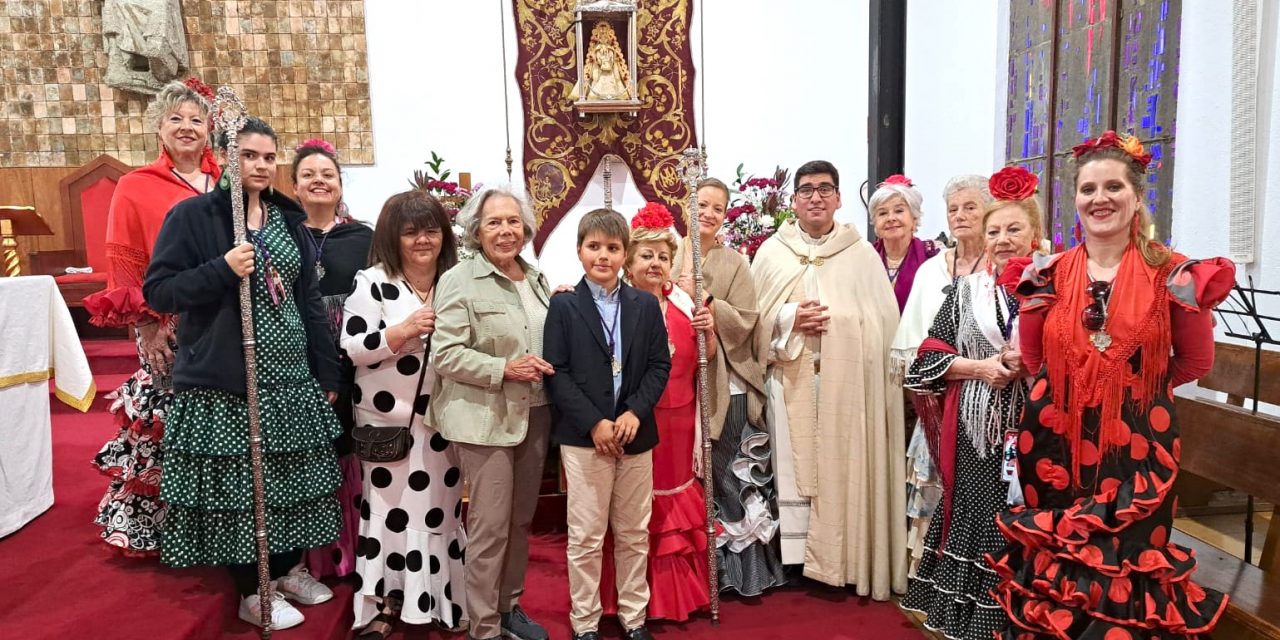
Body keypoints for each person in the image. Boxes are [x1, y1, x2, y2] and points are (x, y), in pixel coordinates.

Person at [987, 131, 1233, 636]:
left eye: (1114, 187)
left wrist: (1128, 388)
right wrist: (1078, 392)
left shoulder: (1176, 274)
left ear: (1138, 197)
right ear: (1074, 201)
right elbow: (1034, 358)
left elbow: (1193, 361)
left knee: (1126, 562)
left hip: (1137, 446)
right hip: (1053, 440)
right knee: (1058, 561)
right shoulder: (1044, 274)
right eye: (1088, 189)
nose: (1100, 198)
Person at [143, 116, 342, 630]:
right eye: (249, 155)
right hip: (229, 379)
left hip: (291, 376)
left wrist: (327, 372)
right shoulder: (194, 216)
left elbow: (310, 303)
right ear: (227, 158)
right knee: (242, 487)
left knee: (287, 479)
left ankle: (283, 572)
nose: (259, 165)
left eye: (268, 157)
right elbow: (159, 291)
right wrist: (221, 269)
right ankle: (250, 589)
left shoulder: (287, 220)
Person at [752, 160, 906, 599]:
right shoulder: (771, 253)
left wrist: (840, 324)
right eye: (806, 190)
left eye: (824, 189)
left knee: (845, 464)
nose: (815, 197)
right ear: (793, 201)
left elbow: (882, 325)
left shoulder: (860, 255)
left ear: (838, 198)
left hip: (848, 386)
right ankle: (797, 560)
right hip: (791, 378)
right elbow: (752, 322)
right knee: (793, 469)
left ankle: (843, 555)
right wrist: (788, 318)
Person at [899, 167, 1042, 639]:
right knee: (980, 516)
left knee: (1029, 518)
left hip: (1040, 428)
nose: (1002, 240)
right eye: (995, 231)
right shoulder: (966, 293)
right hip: (977, 434)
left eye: (1014, 229)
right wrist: (980, 368)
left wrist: (1031, 363)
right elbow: (926, 362)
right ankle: (975, 623)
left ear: (1035, 234)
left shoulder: (1056, 287)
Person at [85, 78, 220, 556]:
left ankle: (214, 526)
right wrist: (145, 324)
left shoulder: (226, 182)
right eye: (175, 119)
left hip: (221, 321)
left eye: (196, 119)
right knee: (167, 421)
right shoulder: (136, 186)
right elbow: (124, 262)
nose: (186, 127)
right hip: (166, 322)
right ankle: (155, 529)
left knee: (216, 422)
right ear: (158, 127)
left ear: (210, 128)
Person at [430, 186, 554, 640]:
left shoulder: (535, 277)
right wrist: (504, 369)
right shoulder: (458, 280)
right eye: (493, 222)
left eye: (512, 222)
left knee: (520, 521)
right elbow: (445, 354)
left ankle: (508, 606)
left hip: (536, 414)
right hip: (484, 420)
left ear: (525, 228)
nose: (505, 231)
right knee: (489, 527)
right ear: (475, 231)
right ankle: (482, 626)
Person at [341, 190, 465, 638]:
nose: (422, 240)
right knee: (392, 515)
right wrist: (403, 330)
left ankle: (443, 601)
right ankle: (386, 603)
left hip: (445, 423)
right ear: (393, 237)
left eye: (431, 230)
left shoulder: (457, 279)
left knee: (439, 513)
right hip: (388, 424)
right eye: (410, 232)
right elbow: (353, 348)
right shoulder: (372, 281)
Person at [544, 208, 671, 640]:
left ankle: (634, 617)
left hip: (635, 434)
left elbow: (659, 365)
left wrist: (635, 411)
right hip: (585, 439)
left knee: (634, 532)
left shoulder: (644, 305)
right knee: (586, 537)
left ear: (625, 253)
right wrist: (596, 423)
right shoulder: (563, 305)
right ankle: (585, 623)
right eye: (594, 246)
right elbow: (556, 371)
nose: (604, 256)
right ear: (579, 250)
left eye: (613, 248)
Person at [598, 203, 716, 622]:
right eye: (646, 255)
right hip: (637, 420)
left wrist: (708, 329)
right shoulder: (615, 304)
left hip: (681, 419)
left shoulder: (685, 303)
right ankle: (631, 600)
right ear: (629, 261)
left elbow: (708, 357)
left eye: (663, 257)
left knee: (675, 500)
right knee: (635, 508)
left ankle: (677, 596)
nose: (655, 263)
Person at [673, 178, 786, 596]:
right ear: (686, 206)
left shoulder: (735, 262)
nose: (708, 213)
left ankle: (742, 575)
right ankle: (694, 578)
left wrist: (707, 304)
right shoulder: (668, 254)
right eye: (701, 204)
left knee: (728, 478)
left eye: (718, 208)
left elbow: (746, 321)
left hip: (728, 385)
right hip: (676, 390)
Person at [890, 175, 991, 575]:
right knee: (935, 486)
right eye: (953, 209)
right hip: (937, 399)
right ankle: (932, 575)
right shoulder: (933, 269)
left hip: (989, 399)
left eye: (970, 207)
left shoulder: (1002, 265)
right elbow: (911, 341)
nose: (960, 215)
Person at [291, 138, 373, 581]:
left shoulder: (363, 236)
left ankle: (352, 548)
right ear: (295, 186)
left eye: (328, 175)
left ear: (340, 186)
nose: (319, 181)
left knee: (347, 443)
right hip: (297, 353)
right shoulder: (282, 235)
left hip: (354, 355)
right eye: (309, 175)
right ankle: (309, 556)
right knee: (308, 448)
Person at [869, 174, 941, 312]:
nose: (891, 218)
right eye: (882, 213)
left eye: (899, 211)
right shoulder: (865, 256)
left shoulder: (932, 257)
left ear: (914, 218)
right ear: (875, 223)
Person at [580, 21, 634, 101]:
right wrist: (599, 61)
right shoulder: (597, 48)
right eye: (601, 36)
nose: (603, 38)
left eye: (605, 36)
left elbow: (613, 56)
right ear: (598, 37)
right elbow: (595, 57)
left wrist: (610, 60)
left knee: (612, 80)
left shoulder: (610, 48)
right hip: (600, 67)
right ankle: (596, 95)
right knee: (597, 80)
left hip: (609, 66)